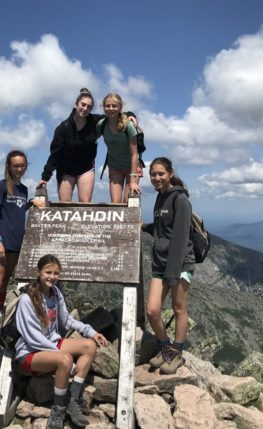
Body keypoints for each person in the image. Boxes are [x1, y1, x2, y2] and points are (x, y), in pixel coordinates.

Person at [15, 254, 108, 429]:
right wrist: (62, 356)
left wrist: (91, 331)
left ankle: (72, 400)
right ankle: (58, 410)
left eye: (56, 273)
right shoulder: (27, 299)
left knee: (89, 345)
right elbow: (32, 337)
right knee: (65, 360)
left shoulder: (55, 293)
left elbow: (67, 321)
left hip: (50, 344)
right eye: (48, 272)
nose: (52, 277)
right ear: (38, 272)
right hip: (30, 352)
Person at [0, 150, 44, 355]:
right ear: (8, 166)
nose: (19, 168)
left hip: (17, 243)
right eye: (15, 165)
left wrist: (30, 202)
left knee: (5, 282)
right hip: (1, 243)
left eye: (22, 165)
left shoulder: (23, 189)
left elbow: (15, 211)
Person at [142, 157, 195, 374]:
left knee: (179, 307)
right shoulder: (160, 197)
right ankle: (165, 348)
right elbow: (163, 227)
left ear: (170, 173)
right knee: (153, 310)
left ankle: (176, 352)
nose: (156, 178)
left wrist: (172, 274)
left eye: (160, 173)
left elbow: (181, 237)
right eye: (153, 174)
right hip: (160, 263)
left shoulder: (180, 199)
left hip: (181, 263)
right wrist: (145, 227)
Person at [38, 88, 104, 203]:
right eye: (83, 105)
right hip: (65, 169)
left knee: (85, 205)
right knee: (65, 205)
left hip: (86, 168)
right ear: (75, 104)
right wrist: (45, 177)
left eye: (89, 107)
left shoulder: (94, 121)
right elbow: (55, 155)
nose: (85, 108)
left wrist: (129, 115)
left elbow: (112, 116)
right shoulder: (63, 128)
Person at [97, 93, 141, 204]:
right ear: (103, 107)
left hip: (132, 167)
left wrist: (133, 180)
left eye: (114, 106)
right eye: (107, 106)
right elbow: (89, 139)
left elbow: (134, 154)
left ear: (120, 108)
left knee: (128, 202)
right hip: (114, 166)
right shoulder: (101, 125)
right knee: (116, 204)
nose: (111, 108)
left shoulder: (128, 126)